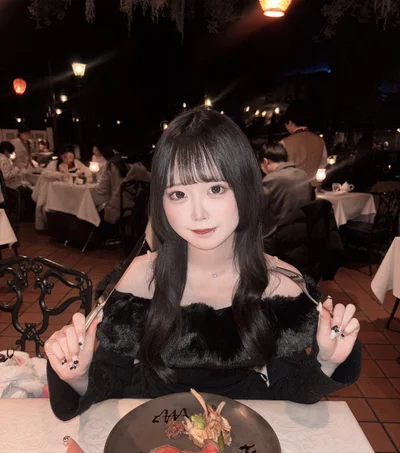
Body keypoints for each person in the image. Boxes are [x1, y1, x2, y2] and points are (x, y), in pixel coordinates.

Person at [44, 107, 361, 422]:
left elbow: (289, 389)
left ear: (246, 188)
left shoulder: (281, 283)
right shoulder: (137, 279)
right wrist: (78, 376)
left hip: (242, 428)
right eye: (178, 194)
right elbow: (111, 381)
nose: (198, 213)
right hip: (153, 426)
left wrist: (327, 361)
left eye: (216, 189)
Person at [259, 142, 314, 238]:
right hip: (303, 234)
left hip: (276, 237)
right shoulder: (303, 175)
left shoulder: (271, 179)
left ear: (266, 161)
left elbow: (255, 209)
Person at [281, 104, 327, 182]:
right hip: (313, 185)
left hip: (291, 185)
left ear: (290, 122)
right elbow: (323, 165)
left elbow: (279, 170)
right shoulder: (320, 141)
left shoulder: (284, 142)